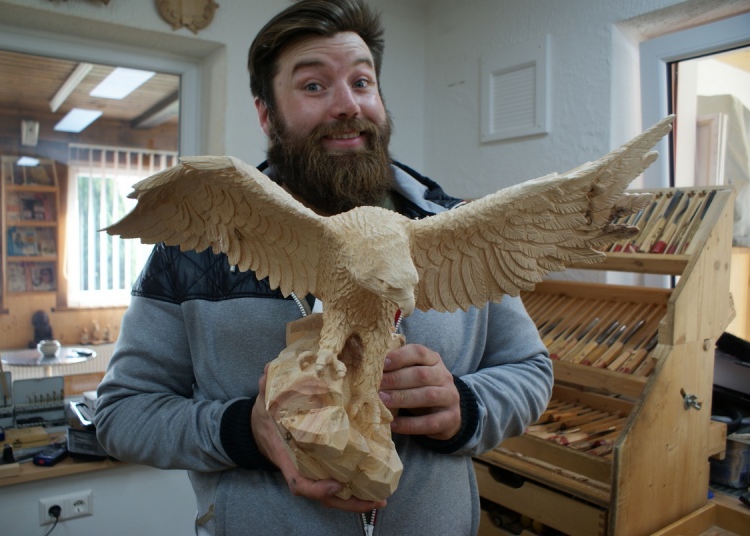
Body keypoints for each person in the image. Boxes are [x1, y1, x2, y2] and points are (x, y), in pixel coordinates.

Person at [94, 1, 553, 534]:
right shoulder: (198, 243)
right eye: (314, 86)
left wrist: (465, 409)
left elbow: (530, 371)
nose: (347, 105)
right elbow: (122, 414)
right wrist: (244, 430)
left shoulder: (457, 227)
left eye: (362, 82)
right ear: (267, 114)